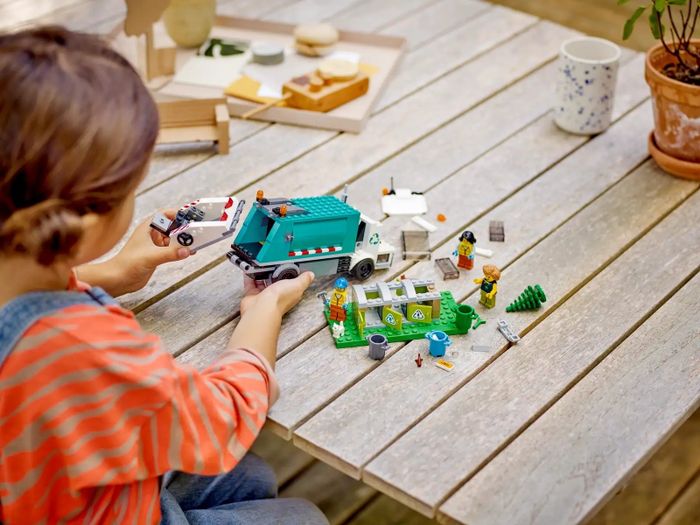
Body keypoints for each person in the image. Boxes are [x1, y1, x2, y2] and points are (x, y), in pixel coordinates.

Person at [0, 27, 327, 525]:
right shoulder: (88, 352)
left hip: (47, 485)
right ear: (86, 222)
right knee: (303, 516)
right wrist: (261, 315)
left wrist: (107, 272)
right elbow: (221, 419)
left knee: (252, 477)